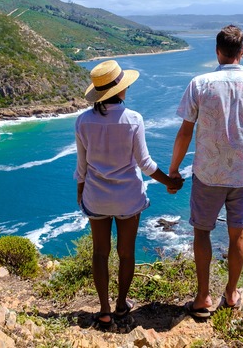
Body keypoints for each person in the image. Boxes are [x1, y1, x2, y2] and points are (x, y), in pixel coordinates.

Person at [169, 25, 243, 318]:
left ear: (217, 51)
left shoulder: (200, 84)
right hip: (242, 177)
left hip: (208, 174)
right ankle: (231, 293)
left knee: (202, 232)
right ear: (242, 51)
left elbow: (184, 133)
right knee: (238, 235)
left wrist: (173, 170)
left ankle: (203, 297)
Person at [74, 60, 183, 329]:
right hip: (128, 198)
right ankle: (122, 306)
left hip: (96, 196)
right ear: (121, 89)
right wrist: (170, 181)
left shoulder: (82, 121)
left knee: (100, 253)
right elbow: (145, 164)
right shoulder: (133, 120)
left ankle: (103, 311)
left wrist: (81, 194)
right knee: (126, 252)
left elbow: (82, 166)